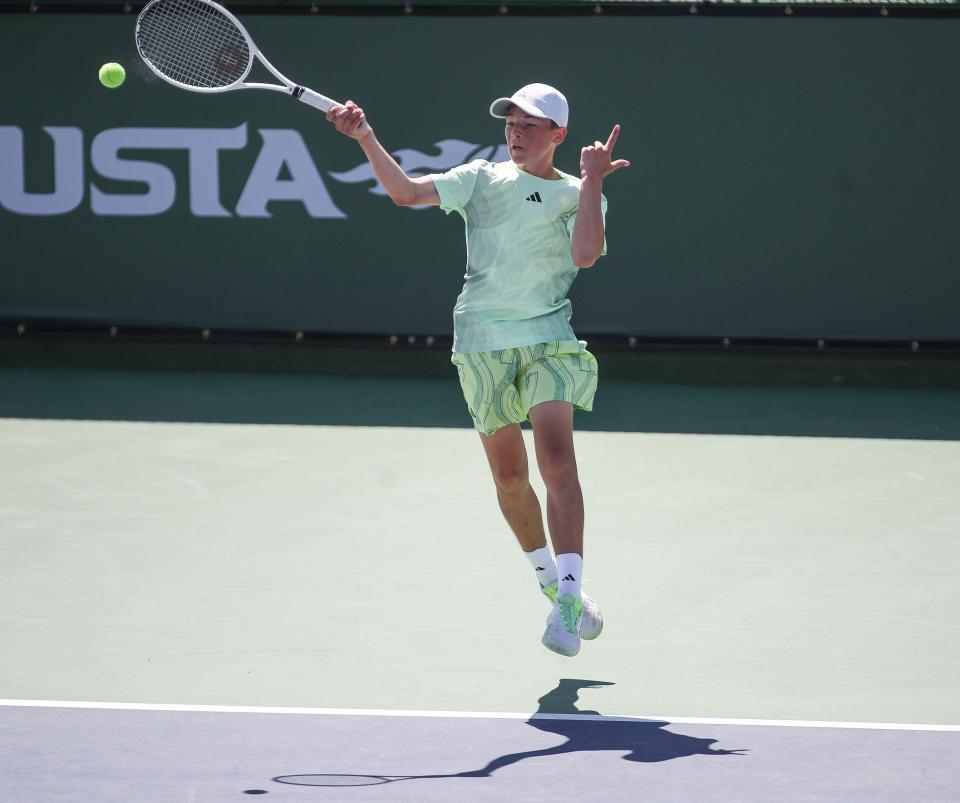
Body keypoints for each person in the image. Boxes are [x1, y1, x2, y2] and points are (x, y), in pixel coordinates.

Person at [326, 83, 629, 657]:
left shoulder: (576, 192)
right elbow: (406, 193)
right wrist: (365, 136)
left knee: (557, 460)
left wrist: (592, 183)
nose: (515, 134)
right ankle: (548, 580)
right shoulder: (480, 179)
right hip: (482, 342)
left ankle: (569, 597)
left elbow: (585, 256)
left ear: (558, 136)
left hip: (547, 339)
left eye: (530, 126)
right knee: (511, 479)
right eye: (511, 124)